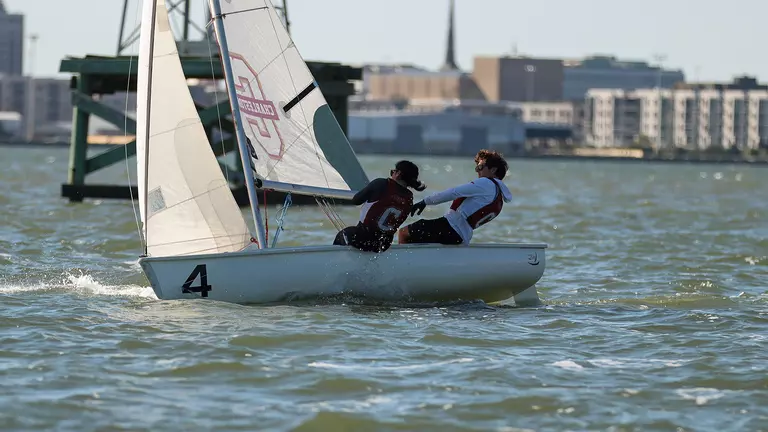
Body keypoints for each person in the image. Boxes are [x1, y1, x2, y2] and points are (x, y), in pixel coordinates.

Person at [398, 149, 512, 246]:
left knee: (404, 232)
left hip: (449, 227)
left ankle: (401, 266)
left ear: (493, 170)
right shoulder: (499, 196)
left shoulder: (485, 183)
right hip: (462, 237)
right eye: (477, 168)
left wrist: (425, 201)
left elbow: (454, 192)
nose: (478, 172)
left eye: (481, 167)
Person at [333, 160, 426, 252]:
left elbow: (356, 201)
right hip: (383, 244)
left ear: (398, 174)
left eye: (393, 171)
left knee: (344, 233)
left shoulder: (381, 184)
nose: (392, 173)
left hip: (362, 238)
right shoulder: (409, 199)